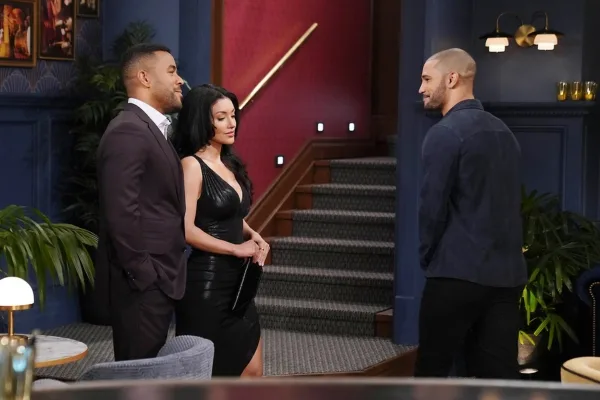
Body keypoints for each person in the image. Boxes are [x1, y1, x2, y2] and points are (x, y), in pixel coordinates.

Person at [414, 48, 527, 379]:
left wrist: (428, 258)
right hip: (506, 277)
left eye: (426, 79)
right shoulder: (505, 133)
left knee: (432, 372)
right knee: (499, 377)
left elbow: (431, 208)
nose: (421, 88)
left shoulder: (445, 133)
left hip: (455, 274)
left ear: (452, 79)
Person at [170, 84, 269, 377]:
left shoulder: (229, 162)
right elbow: (186, 229)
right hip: (207, 285)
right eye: (221, 117)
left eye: (233, 115)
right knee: (213, 377)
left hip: (239, 283)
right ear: (203, 121)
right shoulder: (191, 165)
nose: (231, 123)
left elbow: (229, 214)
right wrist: (236, 248)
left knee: (252, 371)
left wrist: (252, 234)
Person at [96, 43, 186, 361]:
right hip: (143, 286)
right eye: (172, 71)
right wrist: (145, 275)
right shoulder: (128, 130)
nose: (180, 80)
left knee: (152, 374)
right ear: (145, 77)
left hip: (160, 281)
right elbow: (121, 213)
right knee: (139, 377)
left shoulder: (148, 129)